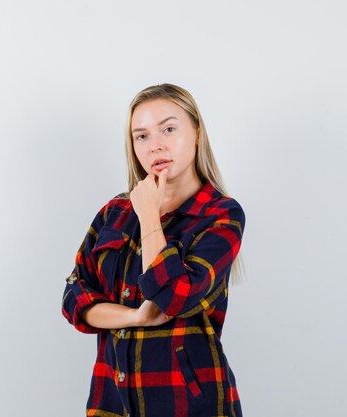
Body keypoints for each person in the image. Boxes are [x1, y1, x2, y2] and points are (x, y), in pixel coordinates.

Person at [61, 83, 246, 417]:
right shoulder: (113, 213)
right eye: (141, 136)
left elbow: (174, 296)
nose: (155, 145)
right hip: (112, 401)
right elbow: (74, 297)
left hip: (188, 405)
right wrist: (135, 317)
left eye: (169, 129)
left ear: (197, 134)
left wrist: (148, 214)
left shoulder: (221, 214)